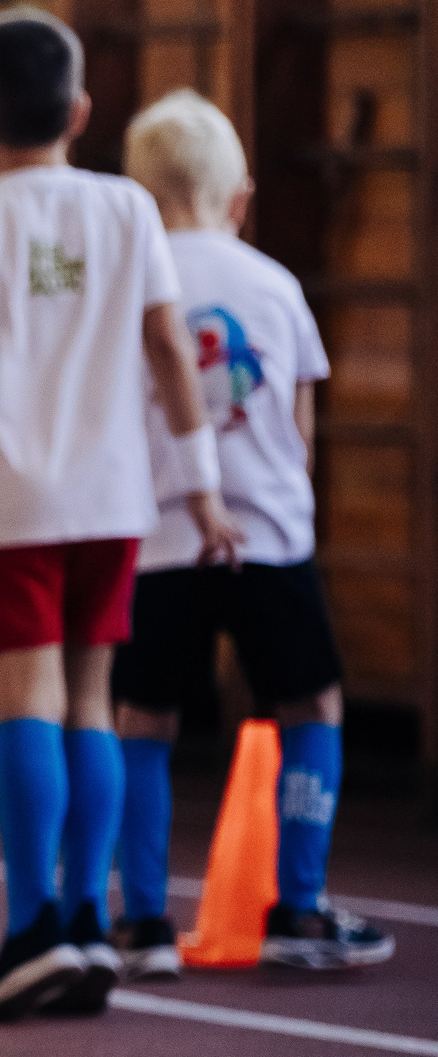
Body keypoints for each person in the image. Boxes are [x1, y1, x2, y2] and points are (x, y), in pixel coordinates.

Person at [0, 10, 239, 1025]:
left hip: (13, 494)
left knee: (26, 703)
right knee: (90, 700)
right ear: (82, 112)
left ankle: (31, 927)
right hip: (114, 494)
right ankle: (89, 919)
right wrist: (202, 485)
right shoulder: (128, 210)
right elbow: (167, 347)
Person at [112, 91, 390, 973]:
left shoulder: (134, 288)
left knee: (143, 717)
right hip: (267, 535)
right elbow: (300, 431)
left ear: (140, 197)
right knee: (311, 703)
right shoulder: (275, 286)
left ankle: (143, 921)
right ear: (241, 197)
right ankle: (297, 906)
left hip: (161, 538)